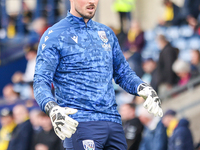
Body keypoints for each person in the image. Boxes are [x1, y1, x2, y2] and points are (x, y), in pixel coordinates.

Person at [33, 0, 163, 149]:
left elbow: (123, 73)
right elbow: (40, 81)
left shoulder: (106, 33)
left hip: (113, 123)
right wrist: (52, 108)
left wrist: (143, 87)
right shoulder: (54, 35)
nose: (91, 1)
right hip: (80, 123)